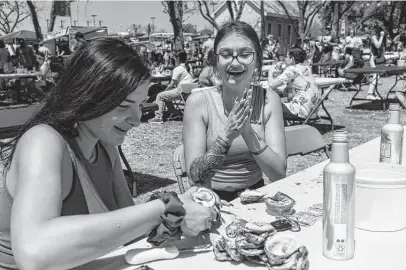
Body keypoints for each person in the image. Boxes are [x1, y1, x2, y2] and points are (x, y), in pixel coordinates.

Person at [0, 38, 216, 270]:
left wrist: (176, 220)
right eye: (124, 105)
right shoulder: (43, 141)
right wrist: (164, 208)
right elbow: (33, 255)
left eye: (140, 104)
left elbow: (128, 229)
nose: (136, 120)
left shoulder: (105, 147)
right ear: (85, 96)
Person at [183, 21, 287, 201]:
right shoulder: (197, 103)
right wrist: (226, 137)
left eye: (245, 54)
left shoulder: (269, 100)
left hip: (255, 197)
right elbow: (195, 178)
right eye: (225, 54)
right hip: (210, 200)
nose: (235, 62)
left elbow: (279, 173)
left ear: (257, 60)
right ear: (216, 61)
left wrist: (247, 132)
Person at [268, 47, 321, 120]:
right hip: (313, 111)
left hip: (301, 111)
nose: (284, 59)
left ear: (292, 58)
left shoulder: (291, 69)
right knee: (279, 102)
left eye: (286, 56)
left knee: (269, 106)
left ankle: (271, 129)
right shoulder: (306, 68)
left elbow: (271, 85)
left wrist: (270, 70)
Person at [149, 50, 194, 123]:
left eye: (174, 58)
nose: (173, 60)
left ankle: (158, 117)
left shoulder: (178, 68)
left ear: (178, 58)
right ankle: (174, 112)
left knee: (160, 95)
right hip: (188, 91)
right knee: (167, 94)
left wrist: (164, 90)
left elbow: (171, 84)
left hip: (181, 91)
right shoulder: (188, 66)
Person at [367, 25, 386, 100]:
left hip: (376, 59)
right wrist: (382, 36)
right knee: (375, 75)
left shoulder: (378, 37)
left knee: (377, 76)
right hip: (372, 59)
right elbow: (377, 45)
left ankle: (373, 93)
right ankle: (369, 93)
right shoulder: (373, 37)